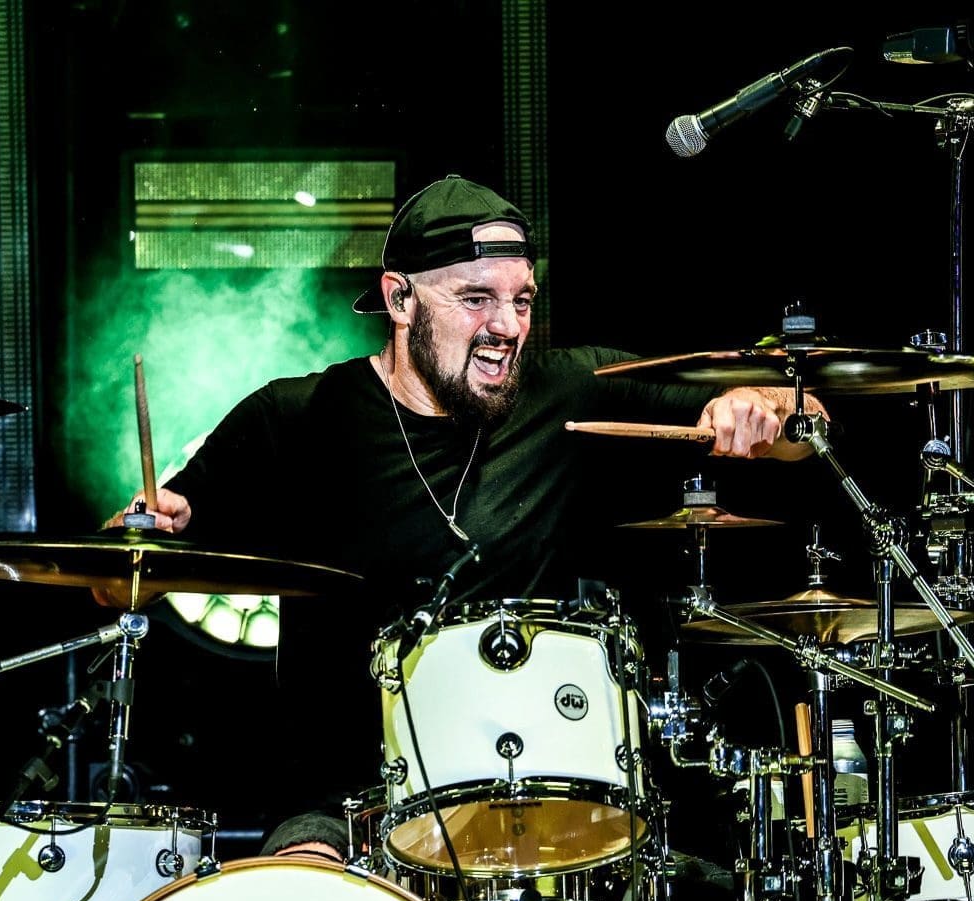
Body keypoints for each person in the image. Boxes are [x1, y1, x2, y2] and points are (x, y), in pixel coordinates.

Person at [99, 173, 827, 855]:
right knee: (303, 899)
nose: (507, 326)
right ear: (400, 300)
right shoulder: (298, 418)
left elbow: (809, 421)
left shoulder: (568, 391)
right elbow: (115, 578)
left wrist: (762, 408)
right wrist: (139, 533)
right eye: (476, 298)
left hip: (534, 787)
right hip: (343, 808)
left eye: (522, 300)